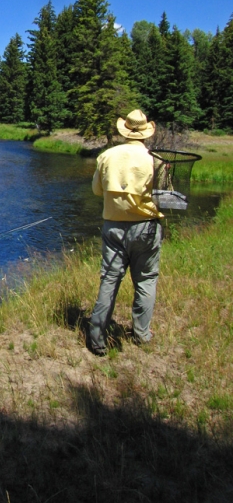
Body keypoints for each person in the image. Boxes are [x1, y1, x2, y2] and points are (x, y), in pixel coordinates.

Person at [88, 110, 163, 356]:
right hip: (147, 226)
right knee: (146, 279)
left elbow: (97, 191)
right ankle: (142, 335)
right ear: (145, 133)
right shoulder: (156, 159)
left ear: (125, 130)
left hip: (113, 227)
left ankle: (97, 339)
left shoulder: (106, 156)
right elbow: (164, 195)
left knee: (109, 279)